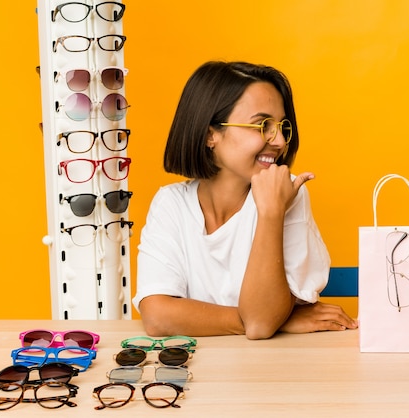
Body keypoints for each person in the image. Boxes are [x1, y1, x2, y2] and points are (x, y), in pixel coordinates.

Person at [132, 61, 357, 340]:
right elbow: (157, 316)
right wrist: (270, 319)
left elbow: (260, 326)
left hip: (273, 370)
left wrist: (271, 213)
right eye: (262, 125)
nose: (279, 140)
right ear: (210, 134)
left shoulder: (287, 193)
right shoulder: (171, 203)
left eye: (282, 126)